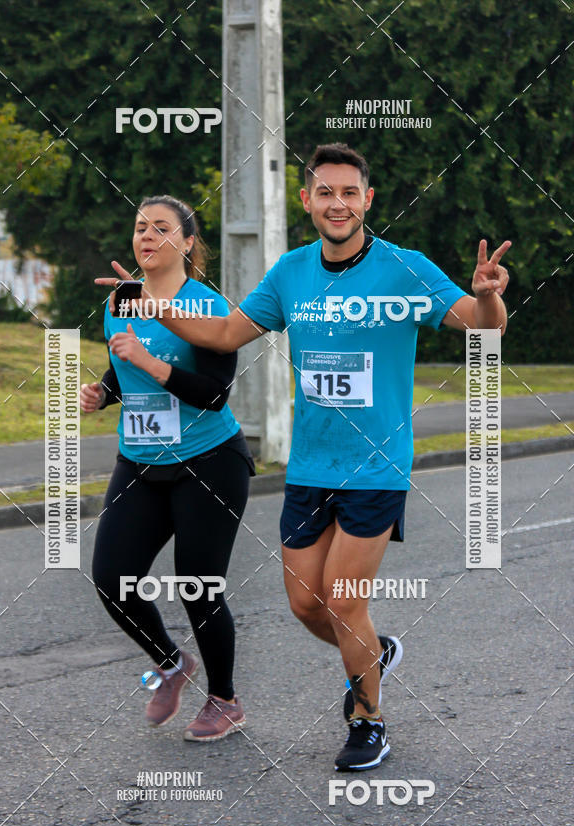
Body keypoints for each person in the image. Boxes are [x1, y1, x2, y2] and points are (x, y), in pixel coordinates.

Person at [102, 144, 510, 771]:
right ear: (308, 202)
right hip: (309, 466)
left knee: (344, 601)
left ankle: (368, 719)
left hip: (375, 465)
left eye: (349, 193)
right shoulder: (290, 274)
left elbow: (484, 327)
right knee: (306, 606)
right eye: (325, 193)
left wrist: (486, 296)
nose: (337, 203)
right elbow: (225, 333)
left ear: (367, 200)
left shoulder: (405, 269)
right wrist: (162, 310)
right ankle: (370, 656)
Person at [82, 195, 255, 742]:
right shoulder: (121, 302)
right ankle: (171, 662)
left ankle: (225, 701)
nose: (147, 236)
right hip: (140, 461)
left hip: (209, 462)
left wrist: (148, 363)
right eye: (139, 227)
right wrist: (103, 391)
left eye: (161, 228)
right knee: (113, 579)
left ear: (186, 242)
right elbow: (122, 360)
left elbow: (214, 394)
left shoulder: (206, 307)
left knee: (198, 585)